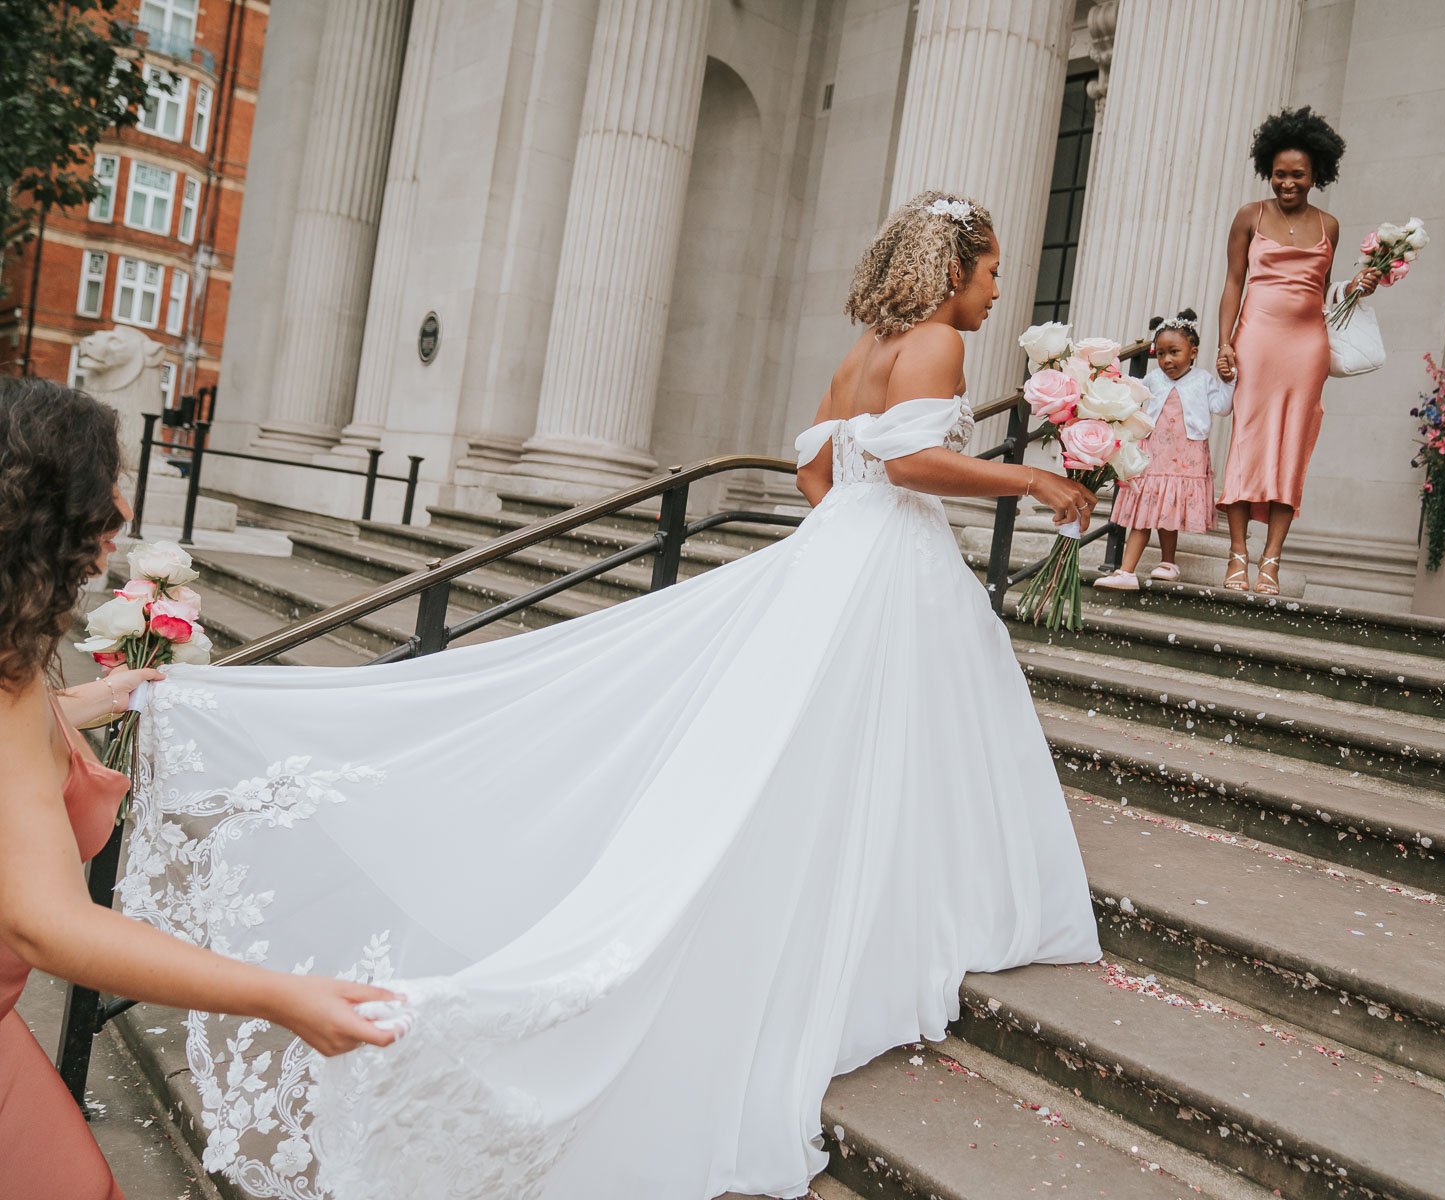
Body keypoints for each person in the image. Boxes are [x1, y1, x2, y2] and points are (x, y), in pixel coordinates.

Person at [117, 192, 1103, 1199]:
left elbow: (819, 462)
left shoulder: (866, 348)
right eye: (987, 270)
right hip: (887, 567)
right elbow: (906, 461)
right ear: (954, 269)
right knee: (886, 746)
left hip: (837, 557)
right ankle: (909, 915)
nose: (993, 290)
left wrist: (842, 527)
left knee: (822, 749)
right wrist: (1032, 484)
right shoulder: (936, 341)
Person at [0, 377, 399, 1200]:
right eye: (98, 496)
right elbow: (48, 926)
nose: (117, 517)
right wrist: (278, 994)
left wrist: (108, 695)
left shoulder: (17, 663)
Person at [1214, 107, 1380, 595]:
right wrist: (1225, 342)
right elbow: (1233, 282)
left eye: (1298, 175)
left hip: (1307, 347)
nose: (1287, 183)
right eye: (1280, 174)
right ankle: (1237, 556)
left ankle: (1272, 562)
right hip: (1256, 340)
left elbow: (1324, 293)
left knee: (1294, 447)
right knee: (1247, 441)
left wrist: (1358, 286)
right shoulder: (1250, 215)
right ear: (1269, 170)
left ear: (1317, 175)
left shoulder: (1330, 225)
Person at [1094, 309, 1233, 590]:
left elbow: (1222, 407)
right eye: (1160, 354)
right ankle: (1126, 570)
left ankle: (1168, 563)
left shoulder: (1203, 380)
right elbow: (1129, 398)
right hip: (1153, 456)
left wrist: (1228, 381)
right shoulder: (1152, 380)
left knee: (1168, 510)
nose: (1167, 360)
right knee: (1144, 511)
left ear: (1192, 352)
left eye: (1174, 352)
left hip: (1187, 456)